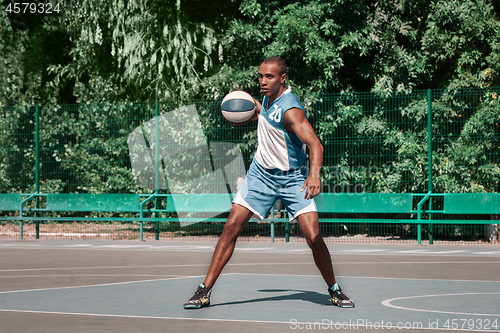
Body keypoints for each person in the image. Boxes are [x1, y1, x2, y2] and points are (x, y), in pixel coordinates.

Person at [183, 57, 355, 309]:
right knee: (231, 226)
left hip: (293, 178)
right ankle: (203, 291)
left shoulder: (291, 110)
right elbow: (266, 115)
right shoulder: (267, 98)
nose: (263, 81)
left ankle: (335, 290)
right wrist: (246, 106)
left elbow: (315, 144)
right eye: (261, 76)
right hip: (261, 175)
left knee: (314, 237)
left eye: (269, 77)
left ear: (282, 78)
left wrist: (314, 175)